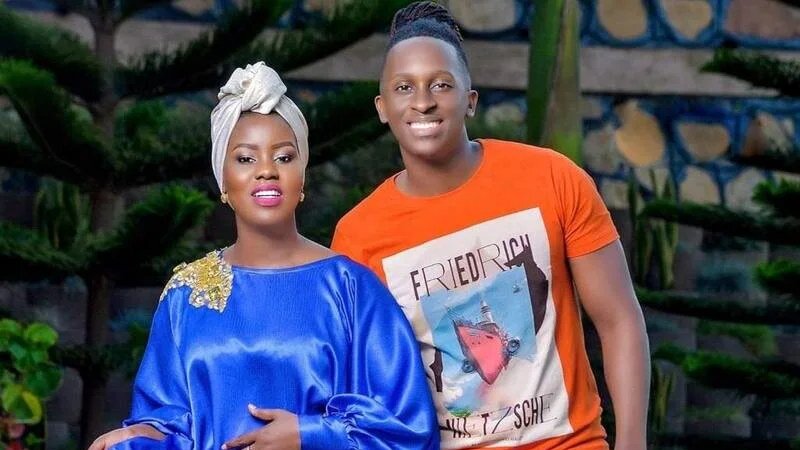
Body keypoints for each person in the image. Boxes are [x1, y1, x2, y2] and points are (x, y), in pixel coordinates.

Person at [331, 3, 650, 450]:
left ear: (470, 99)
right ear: (383, 108)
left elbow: (618, 321)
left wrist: (633, 443)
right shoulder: (359, 236)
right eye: (404, 87)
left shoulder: (552, 178)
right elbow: (366, 388)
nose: (422, 101)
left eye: (441, 84)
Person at [88, 61, 439, 450]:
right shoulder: (184, 295)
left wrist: (309, 435)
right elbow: (169, 423)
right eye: (245, 158)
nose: (267, 171)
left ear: (302, 174)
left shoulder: (352, 289)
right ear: (223, 179)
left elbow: (408, 429)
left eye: (284, 157)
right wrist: (137, 436)